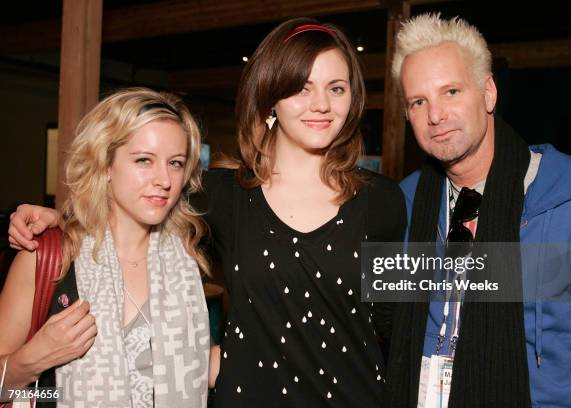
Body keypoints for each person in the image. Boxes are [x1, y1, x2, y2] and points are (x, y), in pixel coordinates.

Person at [7, 18, 406, 407]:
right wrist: (62, 218)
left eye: (336, 88)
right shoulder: (223, 198)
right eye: (301, 88)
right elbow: (135, 199)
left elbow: (400, 326)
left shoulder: (384, 201)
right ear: (271, 98)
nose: (321, 103)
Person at [380, 13, 571, 408]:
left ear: (488, 92)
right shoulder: (404, 203)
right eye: (419, 101)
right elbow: (382, 330)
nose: (435, 115)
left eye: (451, 91)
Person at [1, 88, 211, 407]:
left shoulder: (183, 263)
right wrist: (32, 361)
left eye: (176, 163)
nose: (164, 179)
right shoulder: (49, 258)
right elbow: (11, 391)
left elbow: (200, 369)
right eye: (144, 160)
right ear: (106, 165)